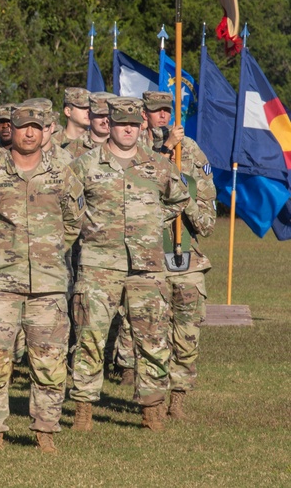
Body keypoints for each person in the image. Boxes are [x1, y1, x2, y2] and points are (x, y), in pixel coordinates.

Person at [0, 105, 85, 453]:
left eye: (36, 127)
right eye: (22, 127)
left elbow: (73, 223)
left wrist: (48, 251)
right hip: (0, 284)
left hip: (48, 285)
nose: (29, 133)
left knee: (50, 360)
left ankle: (45, 431)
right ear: (10, 130)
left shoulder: (62, 176)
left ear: (45, 131)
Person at [68, 97, 189, 432]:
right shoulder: (84, 165)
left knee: (152, 339)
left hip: (146, 266)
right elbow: (67, 204)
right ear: (110, 124)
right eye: (121, 124)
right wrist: (88, 227)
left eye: (133, 125)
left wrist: (152, 222)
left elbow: (179, 198)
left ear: (141, 126)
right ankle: (83, 410)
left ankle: (151, 410)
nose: (127, 130)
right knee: (90, 337)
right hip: (98, 264)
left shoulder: (158, 164)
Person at [113, 91, 216, 419]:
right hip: (148, 257)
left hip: (187, 260)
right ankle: (149, 397)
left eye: (166, 111)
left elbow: (207, 222)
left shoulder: (192, 151)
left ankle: (179, 397)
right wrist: (163, 154)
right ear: (143, 113)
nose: (161, 116)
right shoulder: (134, 150)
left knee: (187, 332)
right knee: (149, 332)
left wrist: (183, 197)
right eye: (154, 110)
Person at [65, 91, 115, 159]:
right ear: (89, 115)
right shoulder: (72, 150)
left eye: (109, 116)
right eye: (100, 115)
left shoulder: (125, 147)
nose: (105, 120)